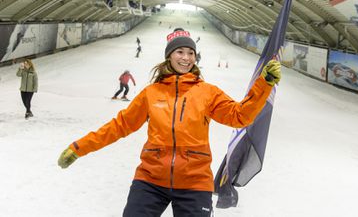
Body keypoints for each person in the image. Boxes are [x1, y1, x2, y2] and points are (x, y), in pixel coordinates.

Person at [57, 28, 281, 216]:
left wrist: (264, 85)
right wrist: (79, 148)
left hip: (194, 182)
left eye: (191, 53)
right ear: (169, 56)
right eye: (180, 52)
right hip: (151, 179)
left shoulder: (206, 92)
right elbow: (119, 126)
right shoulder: (151, 94)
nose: (186, 58)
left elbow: (239, 116)